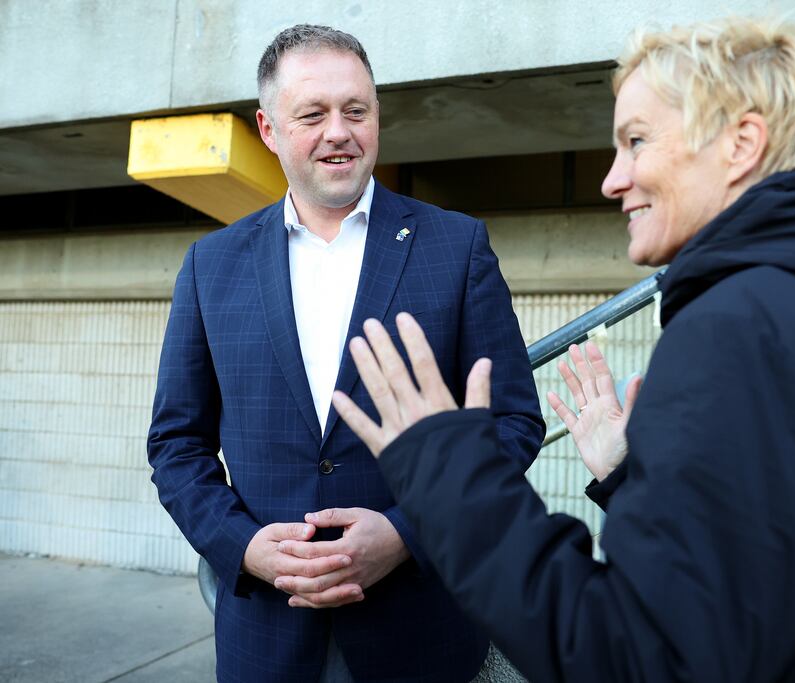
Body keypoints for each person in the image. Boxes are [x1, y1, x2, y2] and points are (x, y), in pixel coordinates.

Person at [323, 17, 795, 682]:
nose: (612, 179)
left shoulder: (745, 326)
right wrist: (635, 478)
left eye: (637, 141)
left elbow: (640, 661)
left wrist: (452, 477)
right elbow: (755, 593)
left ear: (741, 144)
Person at [146, 24, 545, 683]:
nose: (340, 131)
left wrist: (406, 533)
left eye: (356, 110)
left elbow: (512, 422)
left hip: (424, 632)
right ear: (269, 129)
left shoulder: (457, 247)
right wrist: (245, 548)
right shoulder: (209, 266)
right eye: (313, 114)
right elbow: (175, 445)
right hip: (267, 641)